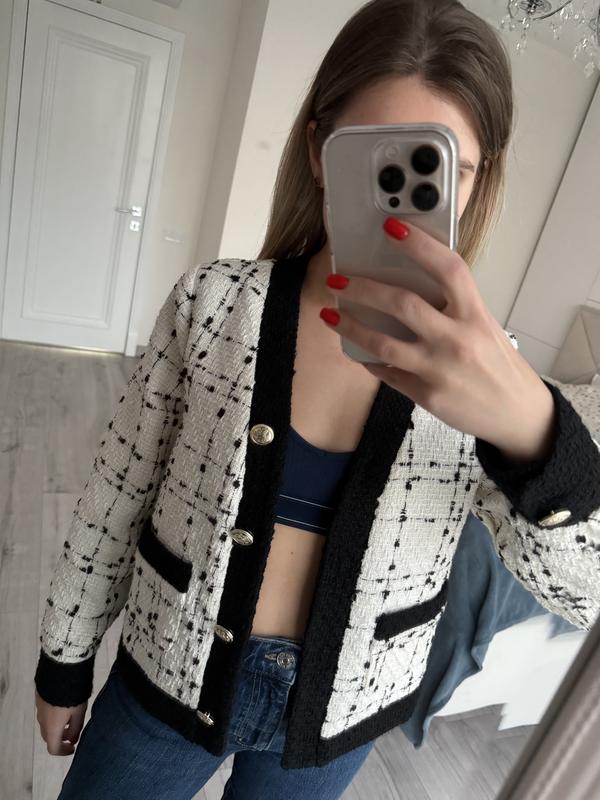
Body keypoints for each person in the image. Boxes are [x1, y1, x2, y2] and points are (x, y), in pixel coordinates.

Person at [34, 1, 600, 798]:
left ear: (477, 183)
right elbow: (116, 493)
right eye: (370, 153)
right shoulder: (213, 306)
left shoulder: (490, 373)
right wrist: (64, 660)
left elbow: (583, 592)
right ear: (318, 150)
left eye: (442, 166)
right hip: (167, 678)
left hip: (339, 721)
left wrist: (534, 431)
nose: (397, 193)